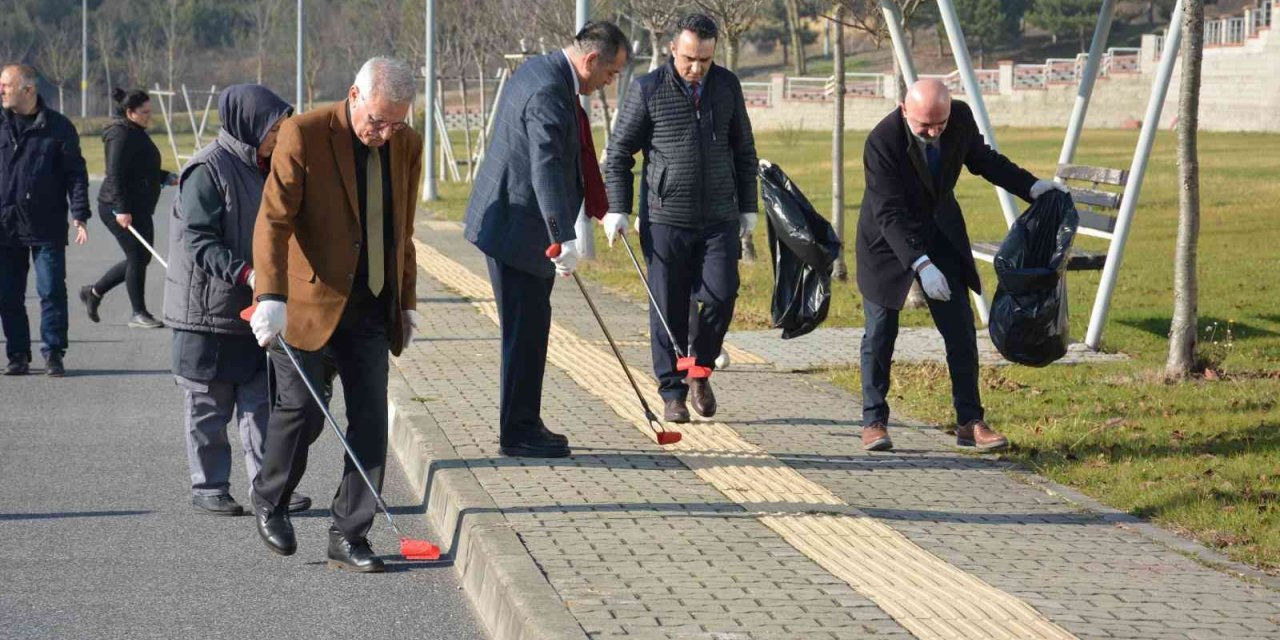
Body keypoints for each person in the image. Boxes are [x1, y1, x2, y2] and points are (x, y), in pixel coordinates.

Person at [249, 57, 423, 573]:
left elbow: (402, 232)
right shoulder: (303, 134)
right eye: (377, 121)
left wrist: (406, 301)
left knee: (370, 419)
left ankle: (349, 535)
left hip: (370, 304)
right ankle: (270, 495)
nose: (384, 133)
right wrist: (271, 296)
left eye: (396, 123)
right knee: (301, 409)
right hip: (304, 304)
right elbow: (273, 221)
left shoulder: (406, 145)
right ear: (353, 95)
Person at [854, 78, 1066, 453]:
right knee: (880, 332)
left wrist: (1032, 187)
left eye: (941, 124)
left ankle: (970, 422)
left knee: (961, 331)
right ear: (905, 111)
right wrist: (920, 264)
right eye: (925, 126)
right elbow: (888, 214)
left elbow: (985, 161)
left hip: (940, 234)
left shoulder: (961, 119)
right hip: (888, 241)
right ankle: (874, 421)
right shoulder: (881, 142)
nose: (935, 132)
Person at [464, 22, 630, 459]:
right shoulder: (550, 92)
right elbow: (547, 166)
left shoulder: (543, 69)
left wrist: (585, 215)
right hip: (518, 230)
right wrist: (564, 237)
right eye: (610, 74)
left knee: (529, 328)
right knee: (526, 332)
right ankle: (518, 432)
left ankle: (523, 422)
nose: (609, 83)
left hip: (510, 221)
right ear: (591, 60)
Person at [163, 84, 313, 517]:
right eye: (273, 130)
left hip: (256, 308)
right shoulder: (206, 170)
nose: (279, 138)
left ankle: (267, 487)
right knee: (208, 404)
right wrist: (247, 273)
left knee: (260, 402)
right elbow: (198, 240)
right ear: (249, 125)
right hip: (205, 312)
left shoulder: (270, 168)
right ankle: (209, 485)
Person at [603, 14, 758, 423]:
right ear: (674, 49)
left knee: (722, 295)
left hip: (719, 217)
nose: (696, 68)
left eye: (705, 60)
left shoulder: (726, 87)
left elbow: (744, 151)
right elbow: (619, 155)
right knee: (666, 306)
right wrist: (618, 208)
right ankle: (672, 392)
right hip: (666, 218)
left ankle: (699, 369)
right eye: (689, 58)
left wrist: (748, 208)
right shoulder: (648, 90)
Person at [0, 64, 90, 377]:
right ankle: (18, 354)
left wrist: (79, 213)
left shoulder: (58, 127)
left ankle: (53, 351)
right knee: (8, 295)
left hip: (45, 226)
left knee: (51, 290)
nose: (1, 91)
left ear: (28, 90)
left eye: (6, 85)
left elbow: (75, 174)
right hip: (6, 226)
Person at [81, 88, 177, 329]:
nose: (149, 116)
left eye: (150, 111)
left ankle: (93, 292)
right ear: (130, 112)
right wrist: (122, 209)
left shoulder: (135, 131)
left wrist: (166, 177)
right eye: (145, 112)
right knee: (137, 257)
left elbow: (140, 168)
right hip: (117, 207)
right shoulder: (120, 135)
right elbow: (115, 174)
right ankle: (138, 313)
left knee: (141, 257)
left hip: (140, 205)